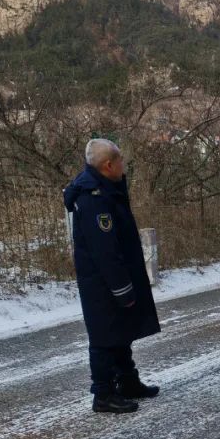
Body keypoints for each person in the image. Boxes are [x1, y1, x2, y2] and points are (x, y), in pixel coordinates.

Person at [63, 139, 161, 414]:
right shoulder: (93, 198)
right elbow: (105, 250)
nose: (124, 166)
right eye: (121, 161)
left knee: (121, 331)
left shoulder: (107, 189)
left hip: (114, 277)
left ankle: (127, 380)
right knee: (105, 336)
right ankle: (103, 393)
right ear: (108, 165)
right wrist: (121, 288)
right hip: (102, 282)